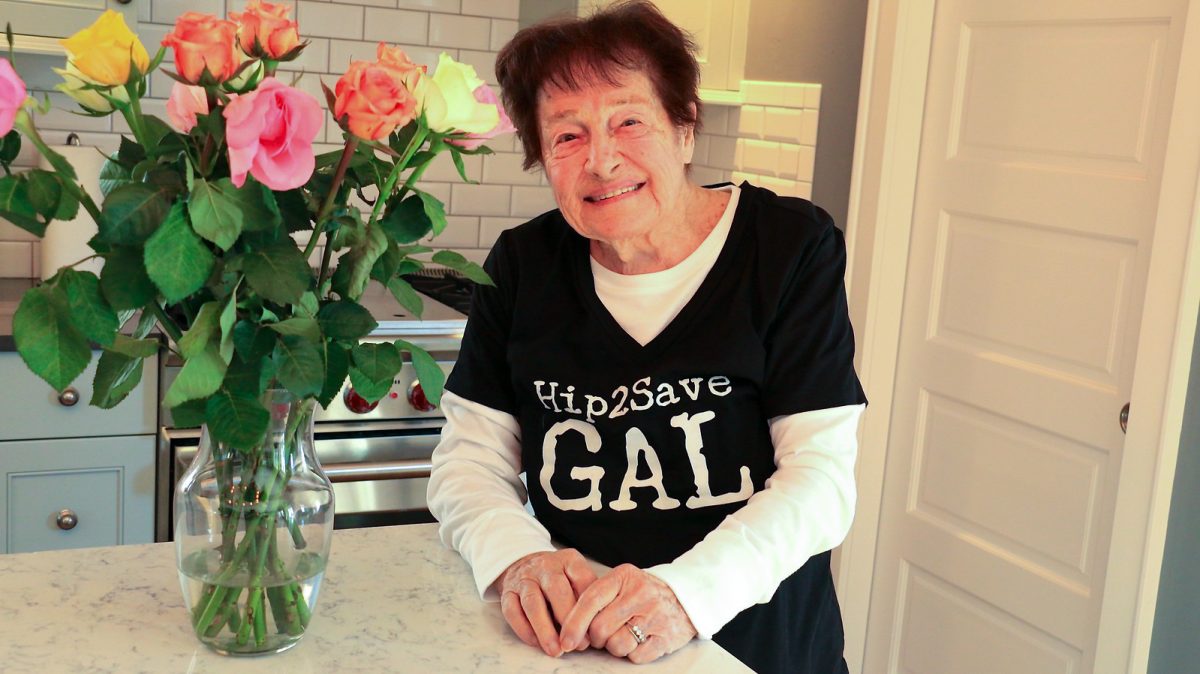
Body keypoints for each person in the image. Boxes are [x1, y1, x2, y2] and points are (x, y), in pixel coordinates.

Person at [426, 2, 866, 672]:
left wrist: (683, 594)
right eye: (567, 137)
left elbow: (821, 480)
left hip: (754, 649)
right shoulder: (524, 265)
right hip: (580, 647)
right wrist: (518, 557)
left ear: (685, 127)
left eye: (629, 121)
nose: (601, 160)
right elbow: (469, 463)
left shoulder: (786, 249)